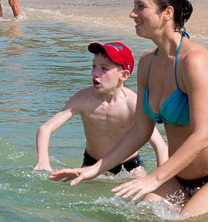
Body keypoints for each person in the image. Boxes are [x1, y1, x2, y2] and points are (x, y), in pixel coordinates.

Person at [51, 0, 208, 217]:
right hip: (177, 178)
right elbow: (139, 130)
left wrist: (154, 178)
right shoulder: (147, 63)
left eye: (141, 7)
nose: (132, 14)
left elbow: (202, 136)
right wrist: (95, 169)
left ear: (167, 13)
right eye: (134, 6)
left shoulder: (195, 61)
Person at [34, 41, 168, 176]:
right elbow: (45, 129)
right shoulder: (83, 99)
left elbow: (160, 147)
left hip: (130, 167)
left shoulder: (133, 104)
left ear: (124, 75)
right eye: (94, 66)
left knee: (145, 195)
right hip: (91, 163)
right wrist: (43, 161)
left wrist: (160, 179)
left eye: (104, 69)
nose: (95, 73)